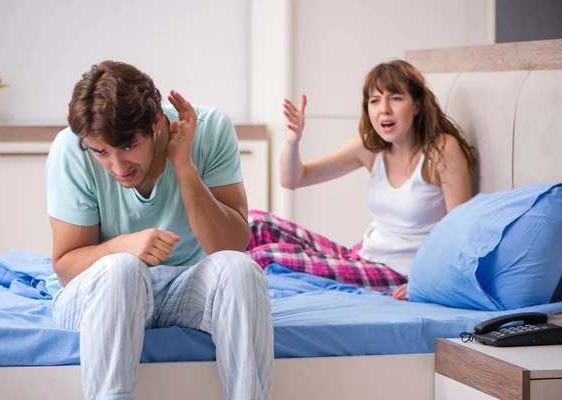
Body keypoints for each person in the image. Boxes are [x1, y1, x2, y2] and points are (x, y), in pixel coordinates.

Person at [44, 61, 273, 400]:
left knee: (242, 271)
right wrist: (122, 246)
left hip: (185, 284)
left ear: (154, 124)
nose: (117, 167)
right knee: (123, 269)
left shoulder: (210, 130)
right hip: (105, 291)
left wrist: (184, 166)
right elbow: (65, 268)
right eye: (101, 152)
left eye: (127, 147)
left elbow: (231, 246)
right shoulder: (71, 149)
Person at [247, 59, 475, 300]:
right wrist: (293, 139)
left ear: (417, 105)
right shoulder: (371, 148)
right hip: (363, 256)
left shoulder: (441, 150)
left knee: (264, 257)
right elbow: (293, 179)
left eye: (396, 98)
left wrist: (427, 283)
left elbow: (462, 231)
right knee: (256, 224)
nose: (384, 109)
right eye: (375, 100)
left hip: (400, 273)